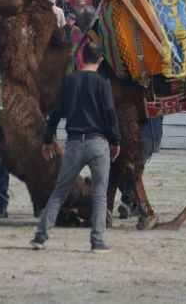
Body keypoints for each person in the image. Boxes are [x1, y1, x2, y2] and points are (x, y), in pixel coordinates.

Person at [31, 42, 120, 253]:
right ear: (100, 60)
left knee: (59, 192)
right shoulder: (103, 83)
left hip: (73, 143)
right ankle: (97, 241)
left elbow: (55, 114)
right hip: (98, 142)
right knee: (100, 193)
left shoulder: (69, 81)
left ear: (81, 58)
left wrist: (47, 139)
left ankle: (40, 236)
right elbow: (109, 114)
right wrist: (115, 141)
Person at [118, 115, 164, 219]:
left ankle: (129, 202)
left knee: (130, 170)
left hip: (141, 135)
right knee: (129, 170)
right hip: (151, 136)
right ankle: (133, 203)